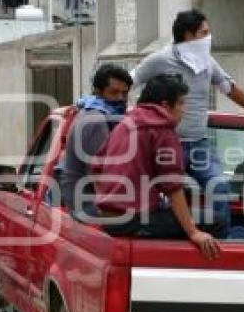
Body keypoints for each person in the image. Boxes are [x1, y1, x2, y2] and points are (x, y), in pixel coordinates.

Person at [132, 9, 244, 232]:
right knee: (162, 191)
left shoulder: (207, 62)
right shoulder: (160, 59)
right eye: (204, 33)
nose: (209, 38)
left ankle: (220, 241)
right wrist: (95, 104)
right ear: (188, 35)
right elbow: (128, 80)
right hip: (166, 143)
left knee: (219, 186)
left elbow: (230, 88)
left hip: (199, 144)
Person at [90, 74, 222, 260]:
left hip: (110, 218)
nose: (184, 111)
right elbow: (172, 187)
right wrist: (193, 232)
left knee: (174, 215)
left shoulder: (127, 122)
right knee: (216, 221)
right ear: (166, 105)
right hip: (134, 219)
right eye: (182, 104)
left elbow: (96, 166)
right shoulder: (162, 128)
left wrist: (106, 202)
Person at [61, 64, 133, 216]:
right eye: (114, 92)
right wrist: (110, 212)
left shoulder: (95, 109)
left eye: (124, 93)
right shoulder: (96, 121)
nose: (120, 98)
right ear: (99, 92)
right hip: (87, 204)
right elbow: (99, 173)